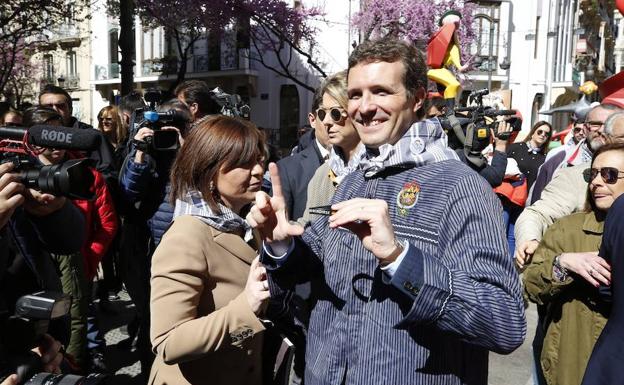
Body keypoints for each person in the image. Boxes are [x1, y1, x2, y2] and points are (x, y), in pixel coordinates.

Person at [247, 38, 525, 384]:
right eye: (356, 94)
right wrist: (281, 245)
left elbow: (504, 323)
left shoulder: (460, 187)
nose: (364, 107)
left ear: (418, 98)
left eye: (381, 92)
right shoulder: (353, 179)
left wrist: (398, 258)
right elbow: (317, 265)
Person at [149, 115, 269, 385]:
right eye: (244, 163)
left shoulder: (245, 224)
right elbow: (168, 342)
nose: (259, 171)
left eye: (259, 160)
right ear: (209, 172)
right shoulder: (187, 236)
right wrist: (246, 308)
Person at [523, 143, 624, 385]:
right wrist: (562, 264)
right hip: (575, 365)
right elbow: (531, 285)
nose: (596, 182)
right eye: (593, 174)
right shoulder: (568, 229)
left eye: (609, 174)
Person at [300, 70, 363, 225]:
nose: (326, 121)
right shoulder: (322, 175)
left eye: (335, 113)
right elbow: (309, 227)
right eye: (322, 114)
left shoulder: (381, 168)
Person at [38, 85, 116, 183]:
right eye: (47, 106)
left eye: (60, 106)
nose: (54, 110)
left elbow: (108, 176)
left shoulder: (91, 137)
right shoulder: (31, 137)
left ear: (70, 109)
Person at [275, 84, 330, 220]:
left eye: (340, 113)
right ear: (312, 120)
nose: (332, 122)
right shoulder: (288, 169)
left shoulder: (367, 164)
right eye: (323, 114)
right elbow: (281, 228)